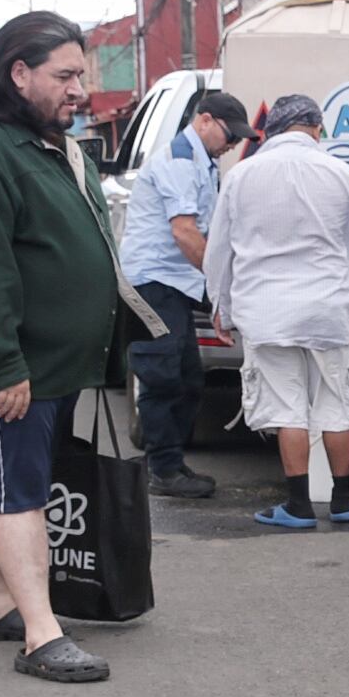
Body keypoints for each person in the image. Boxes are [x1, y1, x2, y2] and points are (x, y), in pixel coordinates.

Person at [0, 11, 165, 685]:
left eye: (80, 75)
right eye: (63, 76)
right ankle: (40, 633)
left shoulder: (49, 144)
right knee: (15, 495)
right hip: (18, 367)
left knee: (15, 486)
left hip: (64, 363)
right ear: (18, 73)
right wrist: (3, 363)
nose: (77, 89)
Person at [203, 92, 349, 528]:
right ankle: (342, 502)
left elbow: (219, 249)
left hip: (267, 310)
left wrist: (220, 305)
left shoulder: (242, 175)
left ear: (275, 129)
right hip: (328, 308)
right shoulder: (340, 173)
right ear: (315, 128)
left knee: (287, 407)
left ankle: (298, 505)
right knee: (337, 403)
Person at [120, 90, 255, 500]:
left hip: (174, 283)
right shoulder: (180, 161)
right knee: (163, 376)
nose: (233, 144)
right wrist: (221, 287)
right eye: (230, 134)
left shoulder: (202, 161)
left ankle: (170, 462)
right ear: (205, 121)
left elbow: (210, 235)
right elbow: (185, 233)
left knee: (188, 378)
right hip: (153, 282)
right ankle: (162, 469)